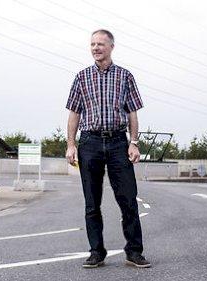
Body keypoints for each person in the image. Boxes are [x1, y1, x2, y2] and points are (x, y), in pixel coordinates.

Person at [65, 29, 150, 269]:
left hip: (117, 143)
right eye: (92, 44)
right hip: (89, 143)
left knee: (128, 200)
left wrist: (134, 142)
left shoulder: (125, 76)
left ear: (111, 46)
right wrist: (71, 144)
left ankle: (134, 252)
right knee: (92, 203)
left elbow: (132, 112)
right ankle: (96, 252)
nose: (95, 48)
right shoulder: (81, 77)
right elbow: (74, 113)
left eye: (100, 44)